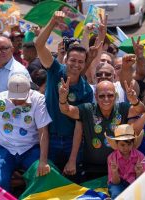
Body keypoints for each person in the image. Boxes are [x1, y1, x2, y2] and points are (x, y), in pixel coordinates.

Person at [35, 11, 98, 173]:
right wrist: (52, 22)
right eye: (73, 60)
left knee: (72, 183)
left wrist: (72, 160)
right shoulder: (55, 70)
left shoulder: (86, 91)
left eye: (80, 62)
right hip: (49, 139)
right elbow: (39, 45)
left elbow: (80, 126)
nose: (76, 65)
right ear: (66, 60)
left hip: (73, 142)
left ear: (85, 64)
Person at [59, 79, 145, 180]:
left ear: (115, 96)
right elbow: (67, 110)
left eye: (110, 95)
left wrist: (134, 100)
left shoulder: (122, 108)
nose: (106, 99)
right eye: (101, 96)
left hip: (118, 169)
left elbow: (140, 110)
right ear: (96, 96)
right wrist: (62, 99)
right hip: (91, 168)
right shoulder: (87, 109)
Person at [0, 73, 52, 191]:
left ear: (28, 91)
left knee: (44, 175)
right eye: (14, 98)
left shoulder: (38, 99)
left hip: (30, 148)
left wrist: (43, 161)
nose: (16, 102)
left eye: (20, 98)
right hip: (4, 148)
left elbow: (43, 131)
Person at [106, 124, 145, 199]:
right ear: (117, 144)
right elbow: (115, 182)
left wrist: (138, 173)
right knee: (116, 195)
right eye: (122, 145)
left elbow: (142, 181)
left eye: (129, 144)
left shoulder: (140, 156)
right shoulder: (111, 158)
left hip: (135, 183)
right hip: (117, 184)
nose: (126, 148)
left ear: (133, 143)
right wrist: (115, 172)